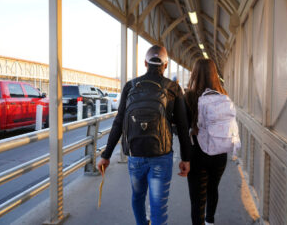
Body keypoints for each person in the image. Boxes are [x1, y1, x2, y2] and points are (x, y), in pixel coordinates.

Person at [97, 45, 191, 225]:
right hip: (161, 156)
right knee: (158, 207)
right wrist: (186, 159)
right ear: (165, 65)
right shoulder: (173, 88)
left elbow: (119, 122)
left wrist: (106, 155)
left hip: (135, 155)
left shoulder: (130, 86)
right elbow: (183, 125)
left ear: (145, 63)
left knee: (138, 197)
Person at [184, 59, 229, 225]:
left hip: (197, 154)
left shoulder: (188, 96)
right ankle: (210, 221)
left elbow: (184, 128)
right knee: (212, 189)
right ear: (214, 73)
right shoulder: (223, 95)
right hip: (219, 153)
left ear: (195, 73)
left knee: (197, 199)